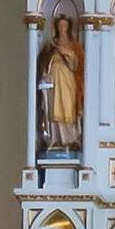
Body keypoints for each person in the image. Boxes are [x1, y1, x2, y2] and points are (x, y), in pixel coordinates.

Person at [39, 13, 83, 151]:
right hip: (53, 81)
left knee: (67, 107)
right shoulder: (51, 44)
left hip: (68, 80)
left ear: (69, 27)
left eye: (65, 26)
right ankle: (55, 138)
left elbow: (77, 64)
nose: (62, 28)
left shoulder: (74, 45)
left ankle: (70, 139)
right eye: (60, 25)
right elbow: (43, 62)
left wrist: (66, 53)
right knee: (53, 107)